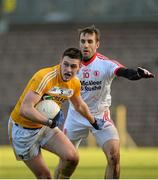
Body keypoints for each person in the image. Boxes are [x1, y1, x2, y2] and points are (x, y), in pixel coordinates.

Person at [55, 25, 155, 179]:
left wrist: (137, 73)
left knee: (114, 157)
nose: (85, 45)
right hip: (75, 118)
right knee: (66, 160)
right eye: (82, 41)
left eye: (90, 41)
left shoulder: (106, 64)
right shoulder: (71, 65)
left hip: (100, 117)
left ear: (97, 44)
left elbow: (125, 72)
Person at [8, 47, 105, 179]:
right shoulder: (45, 77)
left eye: (73, 66)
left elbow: (79, 104)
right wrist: (49, 122)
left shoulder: (74, 83)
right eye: (65, 64)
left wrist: (93, 121)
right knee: (45, 176)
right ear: (60, 61)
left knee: (72, 157)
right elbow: (25, 110)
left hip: (44, 126)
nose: (68, 70)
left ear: (79, 67)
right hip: (23, 130)